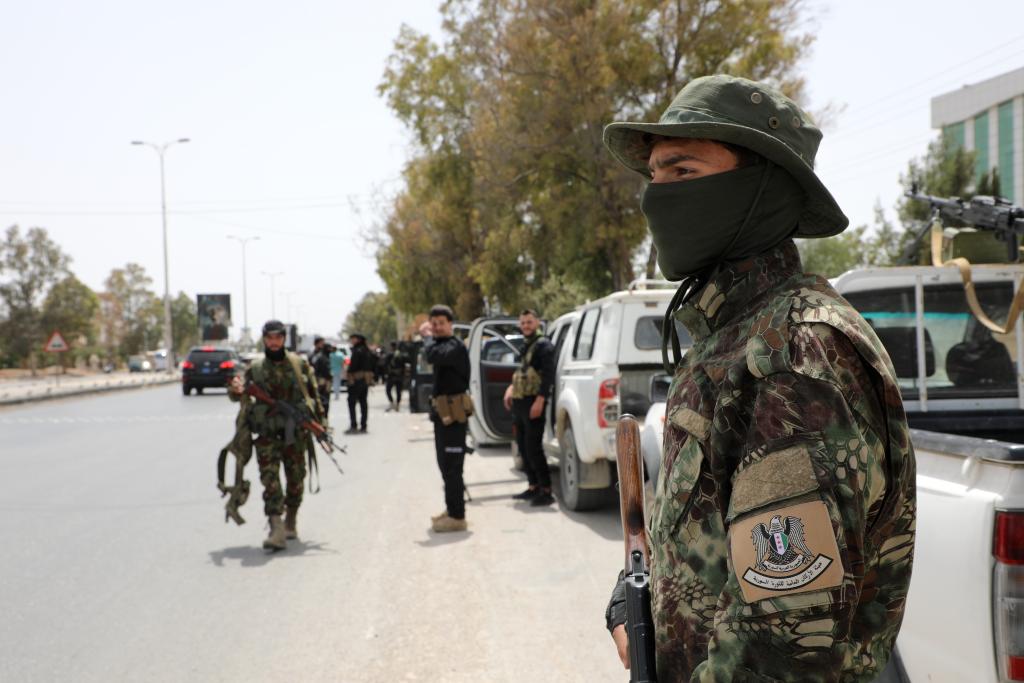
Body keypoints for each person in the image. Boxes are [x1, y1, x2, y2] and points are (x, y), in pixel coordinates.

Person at [601, 75, 916, 681]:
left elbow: (780, 648)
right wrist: (646, 591)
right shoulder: (733, 335)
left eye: (683, 170)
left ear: (762, 187)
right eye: (654, 175)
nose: (656, 197)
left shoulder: (793, 353)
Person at [228, 319, 325, 551]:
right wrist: (235, 388)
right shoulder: (255, 368)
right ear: (264, 339)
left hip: (296, 434)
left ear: (284, 339)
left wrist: (321, 426)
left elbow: (314, 395)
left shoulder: (299, 364)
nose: (274, 342)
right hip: (267, 435)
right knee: (270, 481)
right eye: (270, 338)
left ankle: (290, 520)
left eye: (278, 338)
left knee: (296, 480)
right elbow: (237, 392)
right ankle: (276, 528)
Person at [421, 306, 471, 533]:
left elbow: (432, 355)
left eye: (441, 323)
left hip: (454, 415)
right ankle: (452, 509)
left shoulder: (454, 346)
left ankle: (458, 516)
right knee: (444, 464)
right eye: (434, 323)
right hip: (443, 415)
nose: (437, 327)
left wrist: (426, 337)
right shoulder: (441, 344)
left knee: (452, 466)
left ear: (450, 324)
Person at [502, 309, 556, 506]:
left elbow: (548, 376)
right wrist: (510, 389)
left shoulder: (544, 345)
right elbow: (521, 371)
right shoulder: (527, 344)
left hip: (533, 402)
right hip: (520, 402)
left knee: (534, 448)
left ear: (537, 323)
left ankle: (546, 490)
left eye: (529, 322)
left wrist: (540, 401)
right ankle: (533, 486)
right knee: (523, 448)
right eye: (523, 322)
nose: (526, 325)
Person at [345, 332, 374, 434]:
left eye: (353, 339)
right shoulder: (367, 350)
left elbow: (353, 366)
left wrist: (349, 374)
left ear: (358, 340)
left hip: (356, 379)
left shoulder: (357, 351)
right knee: (363, 402)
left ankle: (354, 425)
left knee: (351, 402)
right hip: (365, 380)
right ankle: (363, 425)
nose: (352, 341)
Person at [309, 336, 333, 418]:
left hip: (321, 382)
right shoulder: (316, 355)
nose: (323, 345)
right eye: (321, 343)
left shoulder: (322, 354)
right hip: (319, 382)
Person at [384, 341, 407, 412]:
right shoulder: (401, 354)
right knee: (398, 391)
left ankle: (392, 403)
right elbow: (404, 365)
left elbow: (385, 365)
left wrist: (386, 374)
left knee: (388, 390)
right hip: (399, 375)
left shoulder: (389, 355)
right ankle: (397, 404)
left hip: (391, 375)